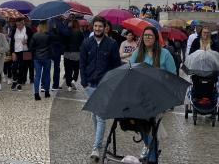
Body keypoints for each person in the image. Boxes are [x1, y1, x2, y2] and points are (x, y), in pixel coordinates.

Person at [129, 27, 176, 163]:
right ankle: (150, 147)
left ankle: (152, 157)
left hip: (158, 97)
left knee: (153, 127)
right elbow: (130, 72)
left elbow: (172, 74)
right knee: (140, 124)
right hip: (140, 96)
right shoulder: (137, 53)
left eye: (150, 35)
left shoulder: (165, 54)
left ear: (156, 38)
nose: (147, 38)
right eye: (145, 35)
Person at [80, 16, 122, 161]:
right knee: (94, 115)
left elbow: (116, 65)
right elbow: (82, 63)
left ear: (105, 28)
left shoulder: (112, 44)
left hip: (104, 84)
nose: (97, 28)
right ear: (93, 27)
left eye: (100, 26)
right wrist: (84, 82)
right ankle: (98, 142)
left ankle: (96, 147)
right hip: (90, 85)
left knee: (100, 117)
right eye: (95, 26)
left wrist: (112, 83)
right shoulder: (86, 43)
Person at [29, 20, 53, 101]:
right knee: (47, 75)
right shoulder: (49, 36)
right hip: (47, 58)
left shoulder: (35, 35)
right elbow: (51, 47)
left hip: (37, 58)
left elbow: (31, 48)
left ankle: (36, 94)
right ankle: (47, 92)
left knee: (37, 76)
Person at [10, 18, 34, 91]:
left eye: (20, 24)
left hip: (26, 51)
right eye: (17, 25)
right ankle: (15, 80)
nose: (18, 26)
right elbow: (12, 42)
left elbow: (32, 41)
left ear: (23, 23)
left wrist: (27, 42)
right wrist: (12, 52)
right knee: (14, 67)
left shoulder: (28, 30)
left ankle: (20, 83)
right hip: (16, 51)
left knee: (23, 68)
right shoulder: (14, 30)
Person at [61, 17, 84, 91]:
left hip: (68, 53)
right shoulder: (80, 33)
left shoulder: (67, 32)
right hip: (77, 53)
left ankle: (69, 86)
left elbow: (64, 42)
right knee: (76, 69)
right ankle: (74, 80)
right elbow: (82, 43)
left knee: (68, 70)